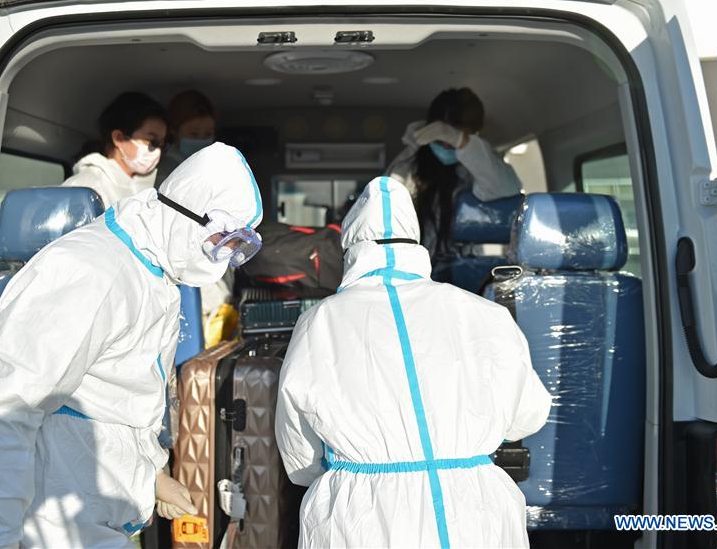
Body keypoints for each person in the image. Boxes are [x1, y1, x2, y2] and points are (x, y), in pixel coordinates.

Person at [0, 143, 264, 548]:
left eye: (238, 249)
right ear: (188, 217)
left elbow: (116, 399)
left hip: (96, 517)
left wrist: (151, 476)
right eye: (223, 240)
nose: (224, 259)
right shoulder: (92, 272)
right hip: (52, 524)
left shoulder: (154, 273)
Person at [275, 176, 550, 548]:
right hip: (476, 513)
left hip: (361, 520)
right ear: (417, 243)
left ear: (351, 249)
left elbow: (299, 454)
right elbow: (528, 416)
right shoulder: (487, 315)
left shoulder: (319, 323)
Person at [387, 87, 522, 256]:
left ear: (473, 136)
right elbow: (388, 210)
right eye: (440, 139)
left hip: (464, 265)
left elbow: (505, 187)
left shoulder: (480, 163)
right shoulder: (408, 165)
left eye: (452, 140)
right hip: (415, 268)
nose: (446, 146)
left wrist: (461, 142)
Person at [155, 90, 234, 344]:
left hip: (217, 271)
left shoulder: (218, 168)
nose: (201, 140)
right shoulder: (163, 173)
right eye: (193, 134)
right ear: (175, 133)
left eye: (207, 134)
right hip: (185, 274)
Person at [62, 91, 167, 207]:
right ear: (119, 138)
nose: (158, 151)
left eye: (161, 144)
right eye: (152, 141)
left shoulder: (153, 188)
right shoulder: (84, 185)